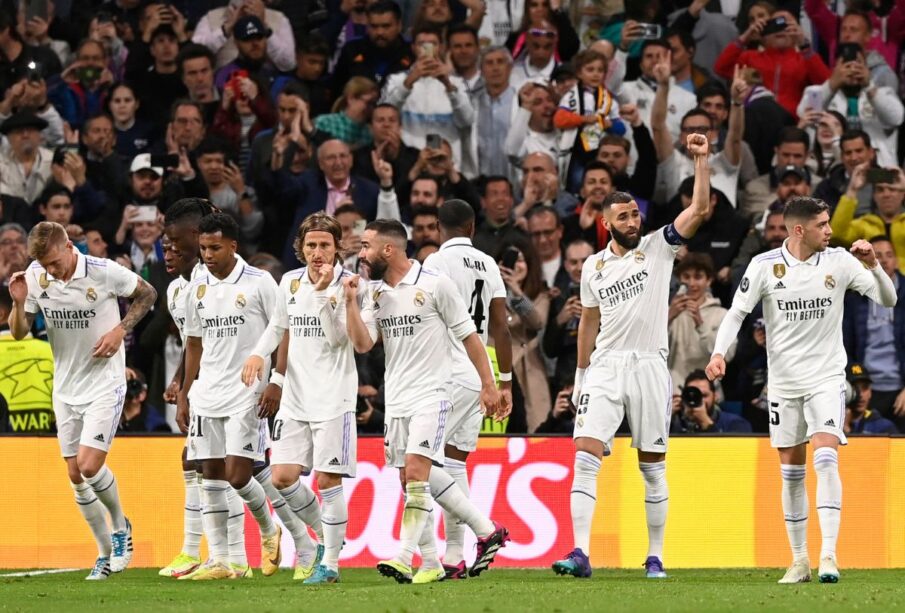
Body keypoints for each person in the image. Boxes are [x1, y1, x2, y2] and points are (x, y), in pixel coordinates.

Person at [706, 197, 898, 584]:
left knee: (825, 457)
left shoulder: (840, 261)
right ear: (799, 230)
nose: (830, 230)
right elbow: (736, 314)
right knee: (791, 473)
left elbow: (887, 298)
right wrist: (718, 353)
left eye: (828, 223)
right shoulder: (764, 267)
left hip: (826, 378)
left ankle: (829, 556)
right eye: (822, 225)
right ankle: (800, 561)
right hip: (783, 385)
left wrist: (873, 264)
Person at [554, 133, 714, 580]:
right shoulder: (593, 267)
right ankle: (580, 553)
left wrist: (701, 160)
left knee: (651, 467)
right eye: (622, 216)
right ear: (607, 224)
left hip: (648, 366)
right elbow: (589, 320)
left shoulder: (659, 246)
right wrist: (582, 374)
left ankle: (655, 555)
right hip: (605, 367)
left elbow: (699, 210)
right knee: (585, 454)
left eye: (634, 214)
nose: (632, 220)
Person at [343, 219, 510, 584]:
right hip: (398, 398)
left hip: (433, 393)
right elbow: (362, 343)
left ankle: (405, 555)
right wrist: (350, 303)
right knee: (408, 479)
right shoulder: (373, 293)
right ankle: (450, 551)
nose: (362, 254)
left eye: (367, 246)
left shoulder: (435, 284)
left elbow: (469, 336)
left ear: (388, 249)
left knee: (418, 470)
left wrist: (489, 384)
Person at [7, 221, 158, 579]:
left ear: (69, 248)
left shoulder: (104, 271)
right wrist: (17, 303)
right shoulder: (36, 275)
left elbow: (148, 294)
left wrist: (119, 330)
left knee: (90, 466)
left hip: (105, 382)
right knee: (75, 475)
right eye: (44, 265)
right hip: (66, 387)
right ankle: (104, 554)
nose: (51, 271)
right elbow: (18, 332)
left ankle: (121, 529)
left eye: (55, 263)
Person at [242, 213, 364, 584]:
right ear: (301, 247)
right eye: (311, 245)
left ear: (337, 247)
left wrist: (325, 293)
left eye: (325, 245)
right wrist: (259, 354)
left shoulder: (349, 285)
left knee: (328, 482)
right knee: (282, 477)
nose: (317, 252)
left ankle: (330, 566)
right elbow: (279, 326)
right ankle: (327, 541)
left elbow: (337, 339)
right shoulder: (289, 281)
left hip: (333, 397)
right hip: (295, 398)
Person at [175, 213, 291, 580]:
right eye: (203, 248)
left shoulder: (260, 283)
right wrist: (184, 393)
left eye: (215, 247)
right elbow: (193, 343)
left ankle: (269, 529)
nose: (207, 255)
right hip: (207, 388)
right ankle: (224, 561)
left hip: (247, 389)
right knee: (208, 473)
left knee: (238, 474)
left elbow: (283, 330)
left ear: (233, 246)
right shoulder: (197, 288)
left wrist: (277, 380)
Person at [422, 199, 514, 579]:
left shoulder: (434, 264)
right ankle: (454, 556)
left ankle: (481, 530)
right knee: (455, 462)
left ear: (438, 228)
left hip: (445, 369)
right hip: (479, 372)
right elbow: (501, 325)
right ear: (473, 227)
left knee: (420, 459)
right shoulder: (489, 264)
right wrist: (504, 381)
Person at [381, 25, 475, 169]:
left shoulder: (458, 82)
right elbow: (384, 113)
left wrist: (448, 85)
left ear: (441, 47)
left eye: (432, 44)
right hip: (409, 165)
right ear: (413, 48)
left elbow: (466, 121)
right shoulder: (396, 80)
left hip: (448, 164)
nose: (427, 49)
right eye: (421, 44)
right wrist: (409, 82)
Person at [798, 44, 903, 168]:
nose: (852, 70)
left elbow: (897, 118)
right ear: (835, 68)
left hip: (880, 174)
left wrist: (869, 86)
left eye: (858, 64)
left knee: (883, 180)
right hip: (833, 172)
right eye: (845, 65)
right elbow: (803, 114)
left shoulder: (883, 93)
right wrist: (832, 84)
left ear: (866, 67)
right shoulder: (817, 93)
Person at [842, 237, 905, 429]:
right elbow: (845, 345)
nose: (884, 261)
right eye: (877, 256)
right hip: (865, 387)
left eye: (889, 255)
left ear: (896, 260)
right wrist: (855, 386)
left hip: (900, 388)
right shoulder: (853, 297)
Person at [667, 253, 735, 386]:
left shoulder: (722, 315)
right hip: (672, 392)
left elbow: (727, 355)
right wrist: (669, 317)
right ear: (679, 279)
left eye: (698, 277)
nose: (692, 283)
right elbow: (650, 351)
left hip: (707, 393)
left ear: (709, 280)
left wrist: (700, 323)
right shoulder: (668, 312)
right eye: (686, 277)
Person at [676, 370, 752, 433]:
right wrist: (667, 418)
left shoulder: (736, 423)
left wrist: (705, 422)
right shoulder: (674, 423)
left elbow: (730, 451)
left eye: (704, 395)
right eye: (692, 396)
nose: (699, 400)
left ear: (715, 396)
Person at [843, 363, 898, 435]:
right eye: (854, 389)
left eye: (864, 388)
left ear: (870, 392)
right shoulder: (832, 423)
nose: (860, 395)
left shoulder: (884, 427)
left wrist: (847, 431)